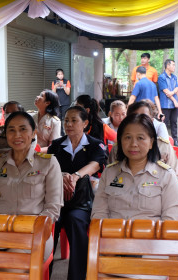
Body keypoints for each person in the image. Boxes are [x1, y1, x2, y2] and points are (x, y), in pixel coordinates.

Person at [0, 111, 63, 261]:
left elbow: (53, 208)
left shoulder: (48, 163)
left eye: (23, 129)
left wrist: (30, 229)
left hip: (34, 232)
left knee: (12, 263)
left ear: (33, 133)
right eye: (11, 130)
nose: (17, 135)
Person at [48, 106, 107, 280]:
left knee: (76, 220)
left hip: (82, 200)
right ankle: (43, 273)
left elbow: (97, 164)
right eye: (66, 120)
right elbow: (48, 168)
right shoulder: (57, 145)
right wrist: (62, 176)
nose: (69, 124)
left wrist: (75, 176)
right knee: (50, 223)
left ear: (85, 123)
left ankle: (77, 276)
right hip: (56, 199)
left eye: (74, 120)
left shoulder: (95, 144)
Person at [92, 113, 178, 220]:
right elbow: (98, 215)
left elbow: (172, 220)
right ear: (120, 141)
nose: (133, 144)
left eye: (140, 138)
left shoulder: (166, 175)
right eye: (128, 137)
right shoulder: (109, 173)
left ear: (151, 143)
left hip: (151, 236)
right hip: (113, 235)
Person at [108, 101, 178, 183]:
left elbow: (175, 178)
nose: (139, 122)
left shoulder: (163, 146)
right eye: (135, 118)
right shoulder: (118, 148)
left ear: (152, 120)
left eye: (144, 118)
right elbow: (109, 180)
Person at [158, 59, 178, 147]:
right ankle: (163, 140)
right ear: (168, 66)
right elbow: (165, 91)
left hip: (174, 105)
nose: (174, 67)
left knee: (174, 122)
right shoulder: (162, 77)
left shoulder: (174, 77)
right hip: (165, 104)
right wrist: (174, 100)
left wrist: (171, 92)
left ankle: (175, 140)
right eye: (173, 65)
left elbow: (176, 88)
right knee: (164, 123)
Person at [52, 68, 71, 135]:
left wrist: (63, 85)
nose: (60, 75)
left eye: (61, 74)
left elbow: (68, 92)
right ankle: (61, 133)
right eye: (59, 74)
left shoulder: (67, 81)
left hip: (65, 103)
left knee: (66, 118)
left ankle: (68, 131)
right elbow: (53, 93)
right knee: (58, 119)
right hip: (57, 103)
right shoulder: (54, 82)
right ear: (56, 75)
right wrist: (55, 87)